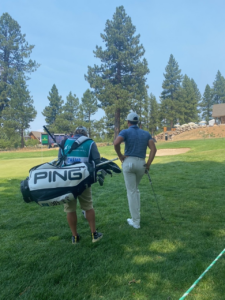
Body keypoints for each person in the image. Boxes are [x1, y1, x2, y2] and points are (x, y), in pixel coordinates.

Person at [58, 126, 103, 244]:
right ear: (85, 134)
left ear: (74, 134)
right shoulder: (90, 142)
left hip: (67, 181)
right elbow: (97, 161)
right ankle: (94, 234)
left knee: (70, 209)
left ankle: (75, 237)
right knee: (88, 207)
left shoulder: (64, 142)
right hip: (83, 180)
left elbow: (60, 161)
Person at [114, 112, 157, 229]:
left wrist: (120, 155)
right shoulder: (146, 133)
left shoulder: (125, 131)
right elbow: (154, 149)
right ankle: (136, 215)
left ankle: (135, 221)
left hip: (129, 162)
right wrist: (148, 164)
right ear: (137, 122)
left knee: (132, 191)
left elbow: (116, 143)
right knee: (135, 190)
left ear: (128, 122)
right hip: (141, 163)